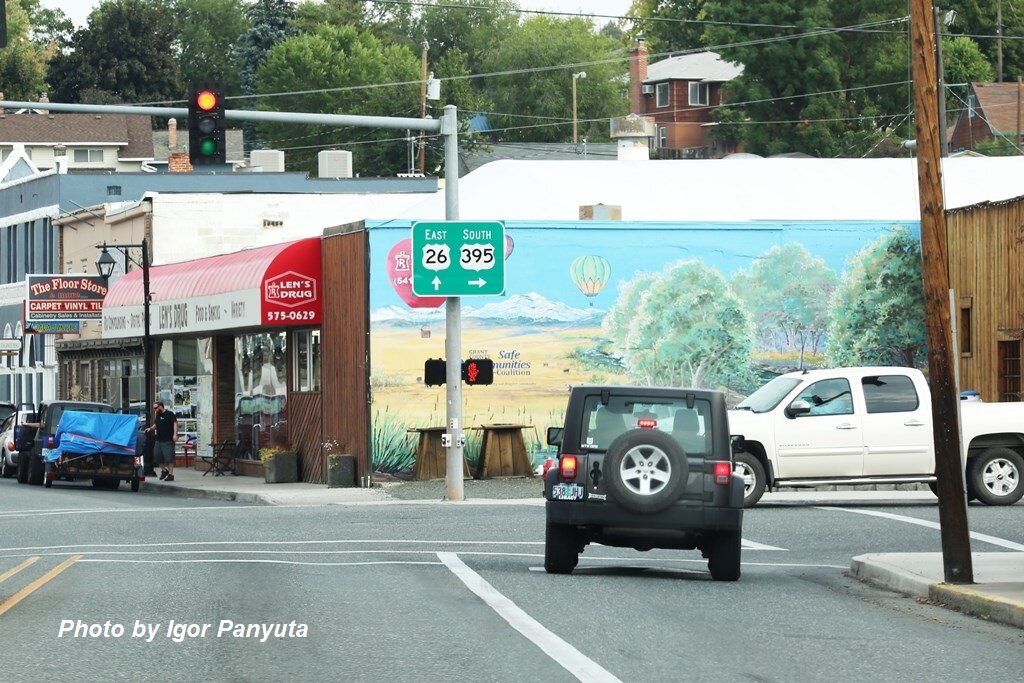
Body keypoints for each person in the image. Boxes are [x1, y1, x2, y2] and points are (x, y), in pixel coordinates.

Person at [146, 401, 178, 481]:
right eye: (154, 408)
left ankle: (171, 475)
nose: (155, 410)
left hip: (168, 440)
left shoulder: (169, 414)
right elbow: (156, 424)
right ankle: (164, 471)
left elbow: (175, 423)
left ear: (161, 406)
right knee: (157, 457)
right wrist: (151, 428)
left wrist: (175, 434)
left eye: (156, 408)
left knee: (169, 458)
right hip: (159, 440)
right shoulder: (158, 415)